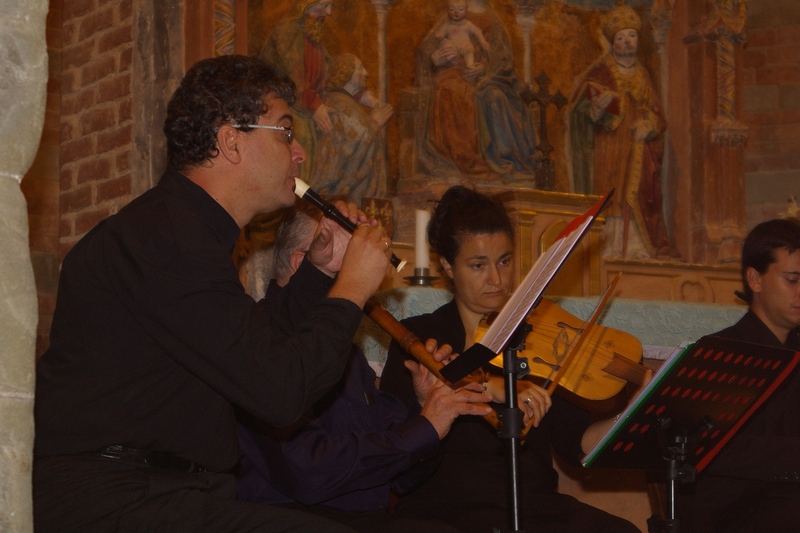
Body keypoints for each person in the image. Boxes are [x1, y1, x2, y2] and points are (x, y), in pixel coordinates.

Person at [33, 55, 396, 532]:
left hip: (166, 493)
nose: (300, 152)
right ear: (230, 141)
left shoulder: (181, 234)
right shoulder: (164, 239)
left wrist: (319, 271)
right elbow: (280, 391)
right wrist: (352, 287)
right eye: (285, 131)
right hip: (113, 499)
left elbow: (251, 354)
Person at [380, 186, 643, 533]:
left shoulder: (540, 336)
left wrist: (635, 407)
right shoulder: (421, 335)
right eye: (478, 265)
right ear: (447, 266)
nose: (496, 279)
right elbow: (392, 447)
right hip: (449, 508)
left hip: (534, 506)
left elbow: (579, 445)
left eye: (504, 261)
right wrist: (460, 392)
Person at [236, 202, 491, 532]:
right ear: (304, 265)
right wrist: (426, 426)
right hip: (293, 520)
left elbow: (402, 479)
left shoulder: (346, 352)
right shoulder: (260, 339)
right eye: (354, 259)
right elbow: (310, 472)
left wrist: (425, 407)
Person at [679, 218, 800, 533]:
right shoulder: (719, 352)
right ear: (755, 279)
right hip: (735, 511)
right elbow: (709, 449)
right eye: (792, 279)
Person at [570, 4, 676, 259]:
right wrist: (596, 107)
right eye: (620, 37)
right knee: (611, 193)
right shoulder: (601, 72)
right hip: (608, 147)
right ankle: (609, 245)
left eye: (632, 35)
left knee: (639, 193)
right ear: (612, 43)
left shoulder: (643, 74)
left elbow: (658, 113)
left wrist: (648, 124)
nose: (627, 42)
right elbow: (580, 109)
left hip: (638, 148)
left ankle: (636, 246)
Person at [416, 0, 537, 178]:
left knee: (496, 97)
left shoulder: (492, 19)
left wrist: (484, 69)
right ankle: (466, 160)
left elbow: (503, 60)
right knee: (453, 90)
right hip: (452, 72)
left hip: (487, 79)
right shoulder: (452, 15)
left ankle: (501, 159)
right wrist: (435, 58)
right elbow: (428, 49)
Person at [261, 0, 335, 184]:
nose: (329, 12)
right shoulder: (289, 32)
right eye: (324, 5)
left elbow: (326, 75)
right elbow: (292, 77)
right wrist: (314, 104)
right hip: (287, 113)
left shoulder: (314, 38)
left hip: (304, 114)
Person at [310, 53, 392, 203]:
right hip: (340, 194)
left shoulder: (341, 101)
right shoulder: (341, 104)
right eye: (360, 68)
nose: (366, 73)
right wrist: (374, 123)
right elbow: (355, 141)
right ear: (346, 72)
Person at [433, 0, 490, 71]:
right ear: (448, 10)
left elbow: (477, 31)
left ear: (466, 10)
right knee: (446, 43)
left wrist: (483, 42)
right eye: (451, 9)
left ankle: (470, 65)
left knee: (469, 50)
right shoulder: (447, 23)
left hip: (465, 46)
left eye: (460, 9)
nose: (456, 12)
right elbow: (438, 36)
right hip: (453, 51)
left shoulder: (468, 24)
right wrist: (437, 56)